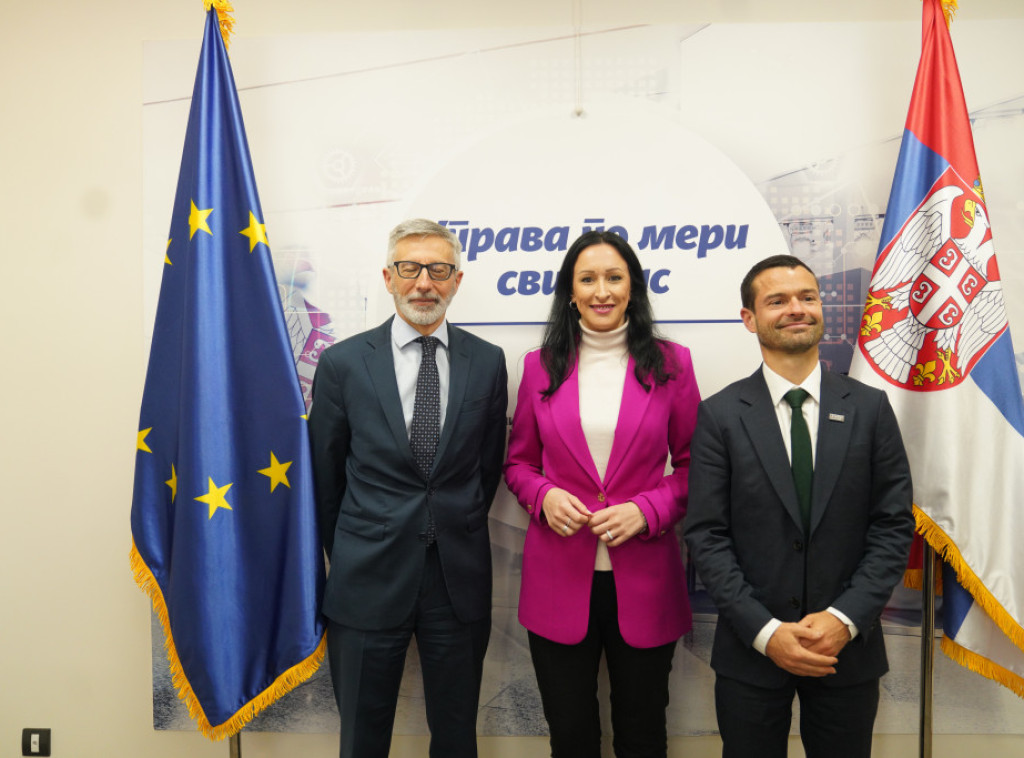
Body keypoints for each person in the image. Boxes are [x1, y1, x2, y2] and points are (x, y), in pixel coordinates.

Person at [683, 255, 914, 758]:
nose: (796, 308)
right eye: (778, 300)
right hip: (751, 651)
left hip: (847, 652)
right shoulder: (720, 415)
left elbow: (893, 526)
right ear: (750, 319)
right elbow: (706, 535)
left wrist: (844, 619)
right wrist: (766, 632)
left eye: (807, 297)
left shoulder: (870, 408)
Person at [308, 218, 508, 758]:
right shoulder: (343, 363)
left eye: (438, 270)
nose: (424, 282)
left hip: (457, 581)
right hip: (366, 580)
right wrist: (354, 548)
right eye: (410, 268)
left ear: (457, 280)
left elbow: (486, 468)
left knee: (456, 738)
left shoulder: (487, 361)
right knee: (362, 740)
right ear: (388, 277)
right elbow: (325, 478)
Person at [504, 230, 700, 758]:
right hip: (558, 581)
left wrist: (648, 509)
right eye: (587, 279)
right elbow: (518, 463)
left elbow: (695, 467)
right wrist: (543, 496)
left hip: (646, 579)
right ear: (570, 292)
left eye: (614, 277)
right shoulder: (539, 365)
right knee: (570, 736)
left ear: (632, 286)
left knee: (643, 736)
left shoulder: (673, 363)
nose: (602, 291)